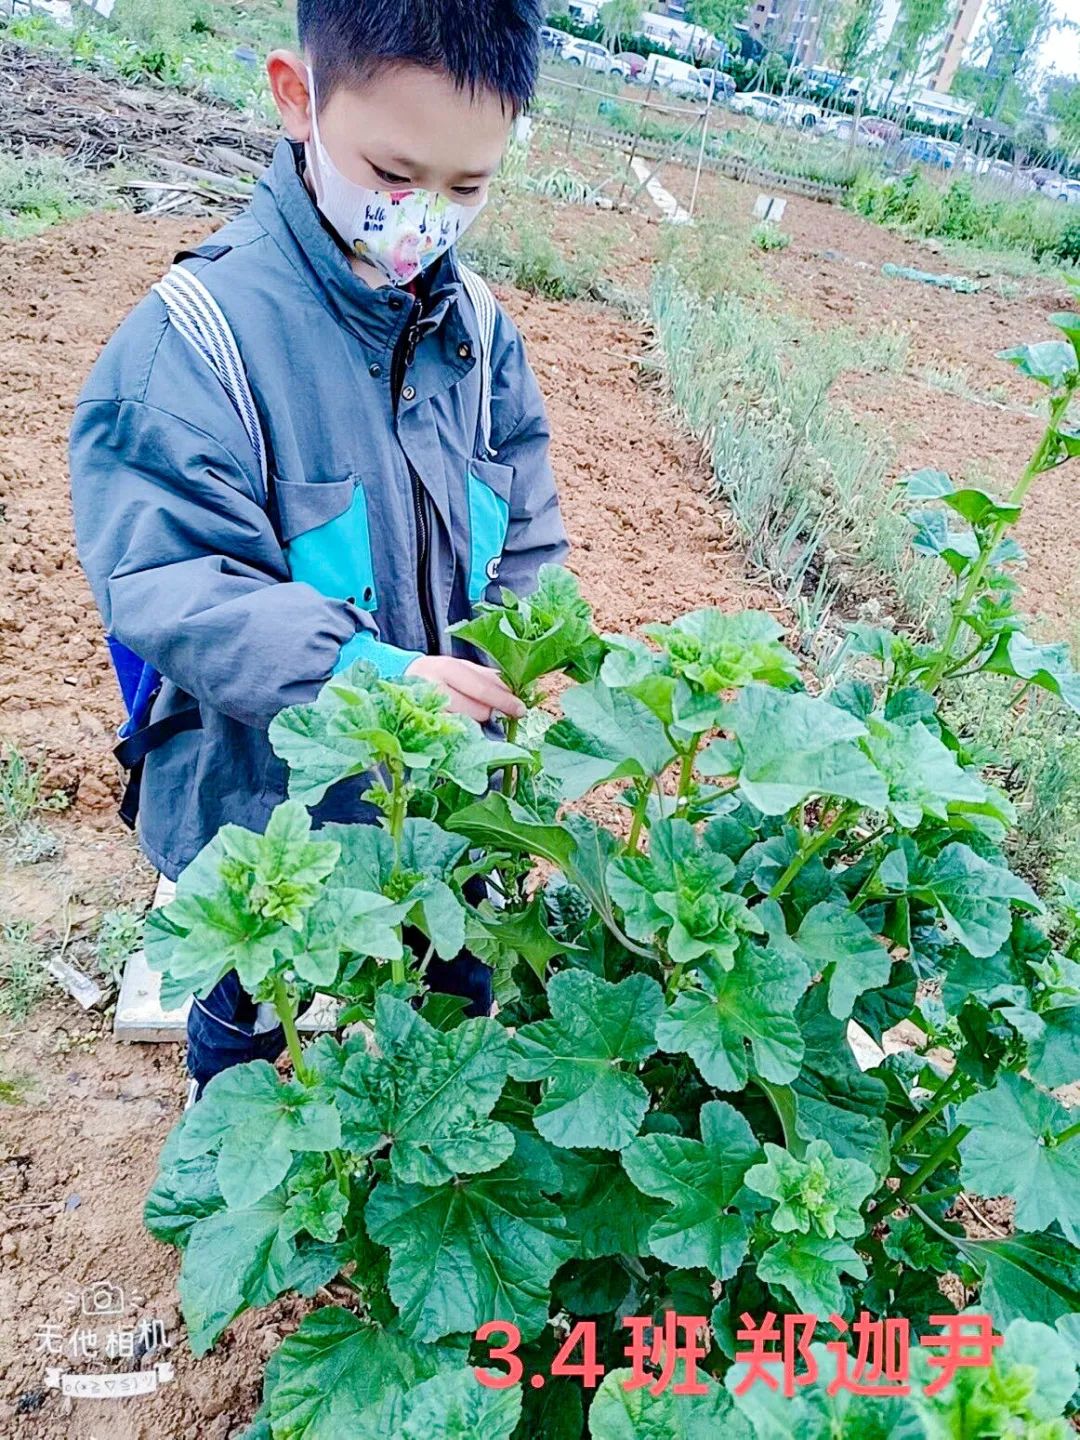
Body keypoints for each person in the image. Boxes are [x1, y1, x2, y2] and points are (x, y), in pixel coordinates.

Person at [69, 0, 567, 1094]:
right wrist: (370, 679)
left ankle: (429, 1134)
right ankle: (230, 1107)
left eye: (466, 188)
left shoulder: (480, 334)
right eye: (394, 174)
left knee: (452, 985)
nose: (423, 217)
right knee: (255, 997)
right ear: (297, 97)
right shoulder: (193, 340)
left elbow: (525, 514)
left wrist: (527, 642)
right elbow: (177, 582)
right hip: (261, 797)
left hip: (438, 786)